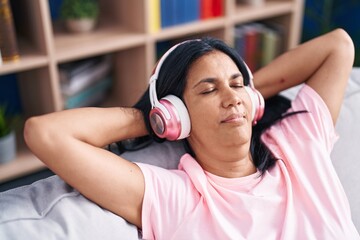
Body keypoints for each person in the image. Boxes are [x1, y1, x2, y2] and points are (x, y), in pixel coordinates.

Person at [24, 28, 359, 239]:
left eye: (236, 84)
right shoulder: (176, 197)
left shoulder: (298, 143)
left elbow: (339, 45)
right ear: (179, 116)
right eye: (208, 91)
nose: (231, 99)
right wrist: (154, 116)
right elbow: (45, 134)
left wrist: (251, 93)